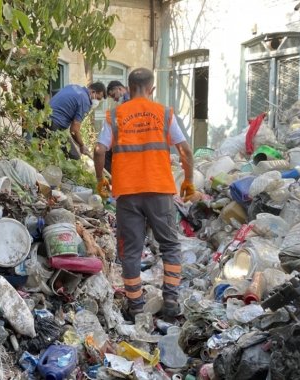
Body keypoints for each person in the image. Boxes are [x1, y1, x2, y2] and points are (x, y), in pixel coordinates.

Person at [93, 68, 195, 319]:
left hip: (127, 192)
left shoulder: (115, 115)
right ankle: (171, 300)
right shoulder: (165, 113)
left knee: (130, 251)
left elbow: (98, 150)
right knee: (170, 245)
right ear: (151, 89)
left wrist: (100, 180)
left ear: (129, 87)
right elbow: (185, 150)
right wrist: (189, 180)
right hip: (159, 190)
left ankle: (136, 305)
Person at [41, 82, 107, 159]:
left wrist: (78, 144)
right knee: (74, 157)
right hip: (54, 125)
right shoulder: (85, 100)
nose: (97, 102)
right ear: (93, 92)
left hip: (43, 120)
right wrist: (82, 145)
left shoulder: (73, 87)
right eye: (98, 99)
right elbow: (74, 130)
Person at [104, 81, 130, 173]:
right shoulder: (124, 101)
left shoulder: (129, 99)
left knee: (107, 154)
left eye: (114, 95)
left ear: (119, 89)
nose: (114, 99)